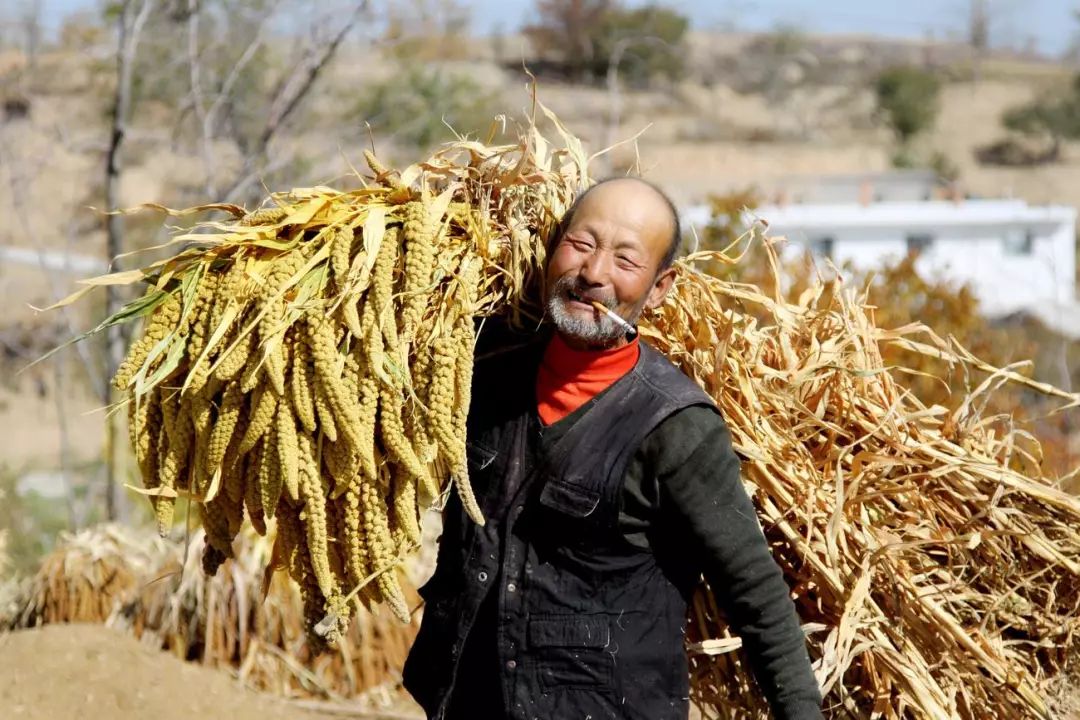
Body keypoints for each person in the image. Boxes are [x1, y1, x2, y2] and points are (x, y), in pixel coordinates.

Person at [402, 177, 823, 720]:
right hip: (464, 703)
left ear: (661, 286)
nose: (594, 274)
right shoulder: (477, 372)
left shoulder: (675, 426)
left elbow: (754, 591)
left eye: (626, 260)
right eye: (581, 245)